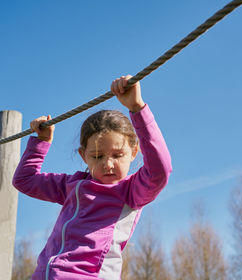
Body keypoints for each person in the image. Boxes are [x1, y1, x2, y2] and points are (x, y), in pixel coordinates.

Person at [12, 75, 172, 280]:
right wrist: (41, 142)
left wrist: (137, 108)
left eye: (117, 155)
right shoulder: (70, 185)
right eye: (97, 156)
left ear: (133, 153)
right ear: (83, 156)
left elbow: (160, 171)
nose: (107, 163)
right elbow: (24, 180)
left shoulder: (131, 192)